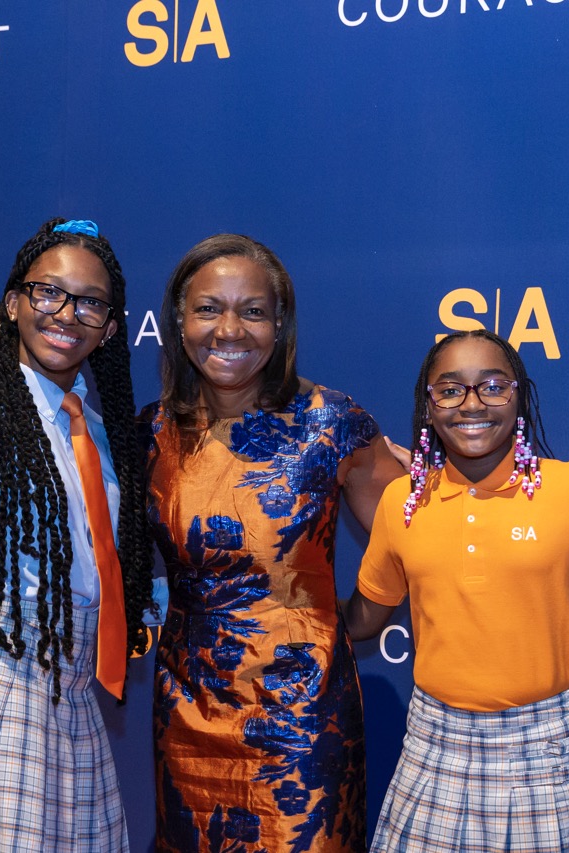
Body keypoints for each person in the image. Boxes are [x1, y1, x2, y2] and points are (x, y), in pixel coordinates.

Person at [143, 234, 401, 853]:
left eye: (252, 311)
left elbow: (414, 536)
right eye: (209, 309)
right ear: (178, 321)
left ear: (279, 325)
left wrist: (359, 618)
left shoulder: (334, 424)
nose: (229, 329)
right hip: (185, 714)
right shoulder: (151, 431)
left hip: (301, 718)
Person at [0, 218, 153, 852]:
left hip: (76, 705)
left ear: (111, 327)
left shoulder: (101, 434)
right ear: (14, 304)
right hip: (0, 701)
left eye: (91, 302)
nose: (67, 313)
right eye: (48, 293)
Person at [343, 329, 569, 853]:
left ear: (519, 397)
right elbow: (366, 618)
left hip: (545, 748)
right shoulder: (403, 503)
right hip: (433, 743)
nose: (472, 404)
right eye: (450, 389)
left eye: (492, 386)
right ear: (429, 405)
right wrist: (284, 594)